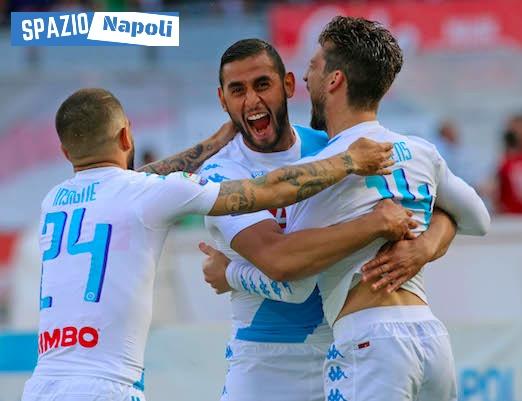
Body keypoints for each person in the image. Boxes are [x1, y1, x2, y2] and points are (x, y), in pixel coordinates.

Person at [21, 87, 412, 401]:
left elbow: (125, 183)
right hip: (106, 387)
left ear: (66, 152)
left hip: (40, 385)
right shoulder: (142, 194)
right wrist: (348, 161)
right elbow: (267, 189)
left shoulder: (53, 200)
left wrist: (211, 144)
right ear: (126, 136)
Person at [203, 17, 490, 401]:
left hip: (354, 346)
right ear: (222, 99)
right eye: (237, 90)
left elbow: (288, 273)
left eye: (262, 84)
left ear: (289, 85)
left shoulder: (327, 158)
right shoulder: (222, 172)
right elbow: (473, 215)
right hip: (267, 363)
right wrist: (411, 237)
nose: (252, 100)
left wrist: (422, 247)